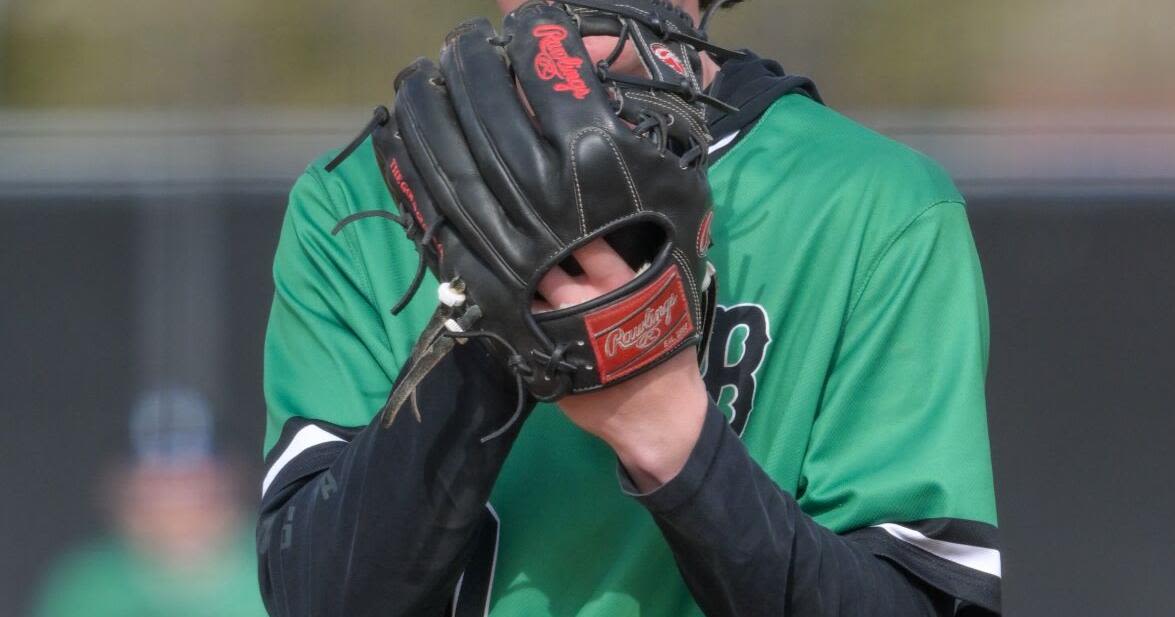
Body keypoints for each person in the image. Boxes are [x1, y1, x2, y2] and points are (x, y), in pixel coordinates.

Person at [257, 0, 1001, 615]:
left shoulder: (873, 204)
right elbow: (316, 594)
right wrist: (495, 320)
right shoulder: (365, 202)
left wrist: (670, 431)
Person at [35, 387, 267, 617]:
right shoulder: (83, 586)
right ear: (118, 494)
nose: (175, 501)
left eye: (193, 481)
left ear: (232, 484)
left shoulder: (281, 567)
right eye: (155, 485)